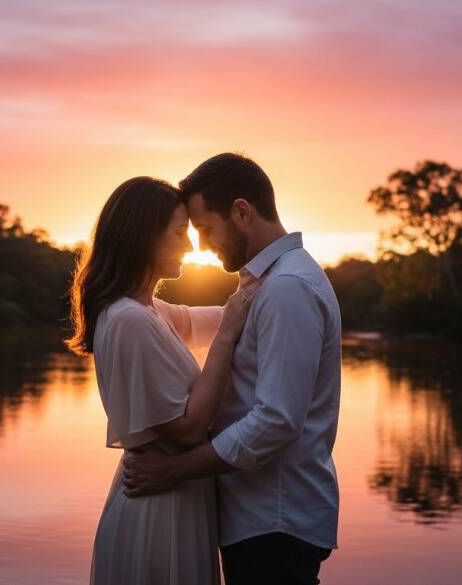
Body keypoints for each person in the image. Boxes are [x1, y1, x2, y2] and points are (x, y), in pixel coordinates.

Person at [122, 153, 343, 585]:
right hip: (261, 520)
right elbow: (187, 322)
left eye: (205, 229)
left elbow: (276, 421)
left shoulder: (286, 289)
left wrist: (174, 470)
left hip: (275, 522)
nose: (202, 245)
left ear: (241, 211)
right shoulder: (267, 282)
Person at [66, 176, 262, 585]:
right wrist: (228, 334)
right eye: (179, 233)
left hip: (175, 500)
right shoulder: (130, 319)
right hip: (158, 513)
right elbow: (188, 429)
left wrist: (262, 287)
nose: (190, 246)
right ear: (144, 237)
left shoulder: (148, 311)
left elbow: (212, 317)